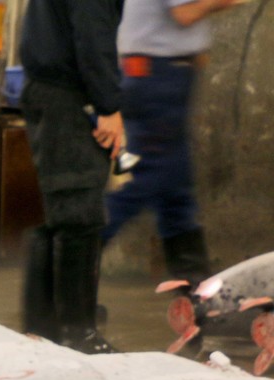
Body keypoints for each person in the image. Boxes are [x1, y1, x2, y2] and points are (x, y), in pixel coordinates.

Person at [102, 0, 241, 286]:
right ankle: (72, 254)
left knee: (175, 191)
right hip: (158, 78)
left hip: (161, 76)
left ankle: (196, 292)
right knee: (147, 179)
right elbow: (185, 12)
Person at [19, 0, 124, 352]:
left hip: (49, 91)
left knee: (61, 214)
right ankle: (79, 336)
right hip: (66, 96)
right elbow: (92, 37)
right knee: (79, 213)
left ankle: (42, 330)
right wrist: (109, 106)